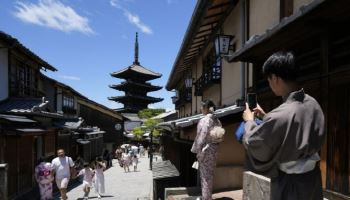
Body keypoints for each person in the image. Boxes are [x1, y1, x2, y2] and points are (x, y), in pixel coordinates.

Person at [242, 51, 325, 200]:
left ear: (275, 78)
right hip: (312, 180)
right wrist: (265, 116)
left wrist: (249, 121)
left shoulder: (281, 115)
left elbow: (255, 143)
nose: (269, 84)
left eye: (269, 79)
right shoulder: (313, 103)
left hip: (290, 184)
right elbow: (292, 126)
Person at [191, 100, 222, 200]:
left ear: (206, 108)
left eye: (201, 107)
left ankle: (206, 198)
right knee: (210, 176)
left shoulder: (204, 120)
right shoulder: (217, 120)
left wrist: (196, 151)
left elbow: (201, 137)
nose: (200, 109)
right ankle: (208, 197)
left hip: (205, 150)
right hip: (214, 150)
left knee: (205, 177)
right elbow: (219, 136)